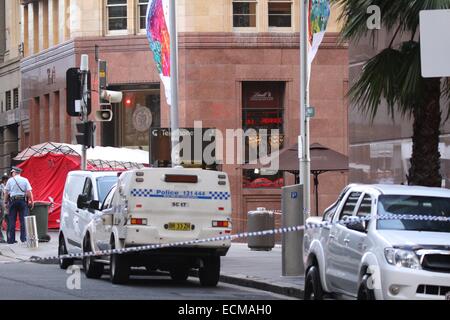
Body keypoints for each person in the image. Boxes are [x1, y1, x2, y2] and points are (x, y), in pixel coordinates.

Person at [3, 167, 34, 244]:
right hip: (22, 201)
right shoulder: (25, 180)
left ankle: (11, 240)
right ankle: (24, 239)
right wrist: (32, 201)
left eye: (12, 172)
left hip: (13, 201)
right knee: (23, 221)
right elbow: (29, 192)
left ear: (14, 172)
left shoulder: (10, 180)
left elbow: (6, 193)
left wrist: (5, 202)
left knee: (11, 221)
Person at [0, 175, 9, 243]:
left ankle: (9, 238)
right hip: (2, 207)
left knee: (8, 222)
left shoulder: (4, 187)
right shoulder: (1, 187)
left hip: (4, 207)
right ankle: (1, 238)